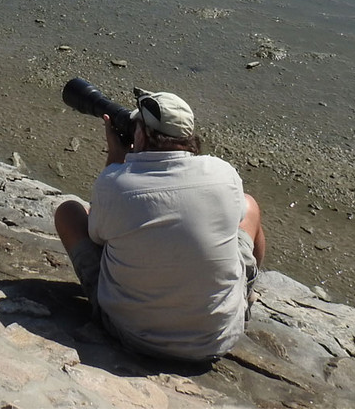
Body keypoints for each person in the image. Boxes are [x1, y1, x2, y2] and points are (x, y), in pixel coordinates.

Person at [53, 88, 267, 363]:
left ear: (140, 135)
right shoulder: (223, 173)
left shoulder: (115, 184)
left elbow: (98, 238)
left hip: (131, 334)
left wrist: (115, 162)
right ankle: (246, 295)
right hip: (218, 338)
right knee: (249, 205)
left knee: (69, 212)